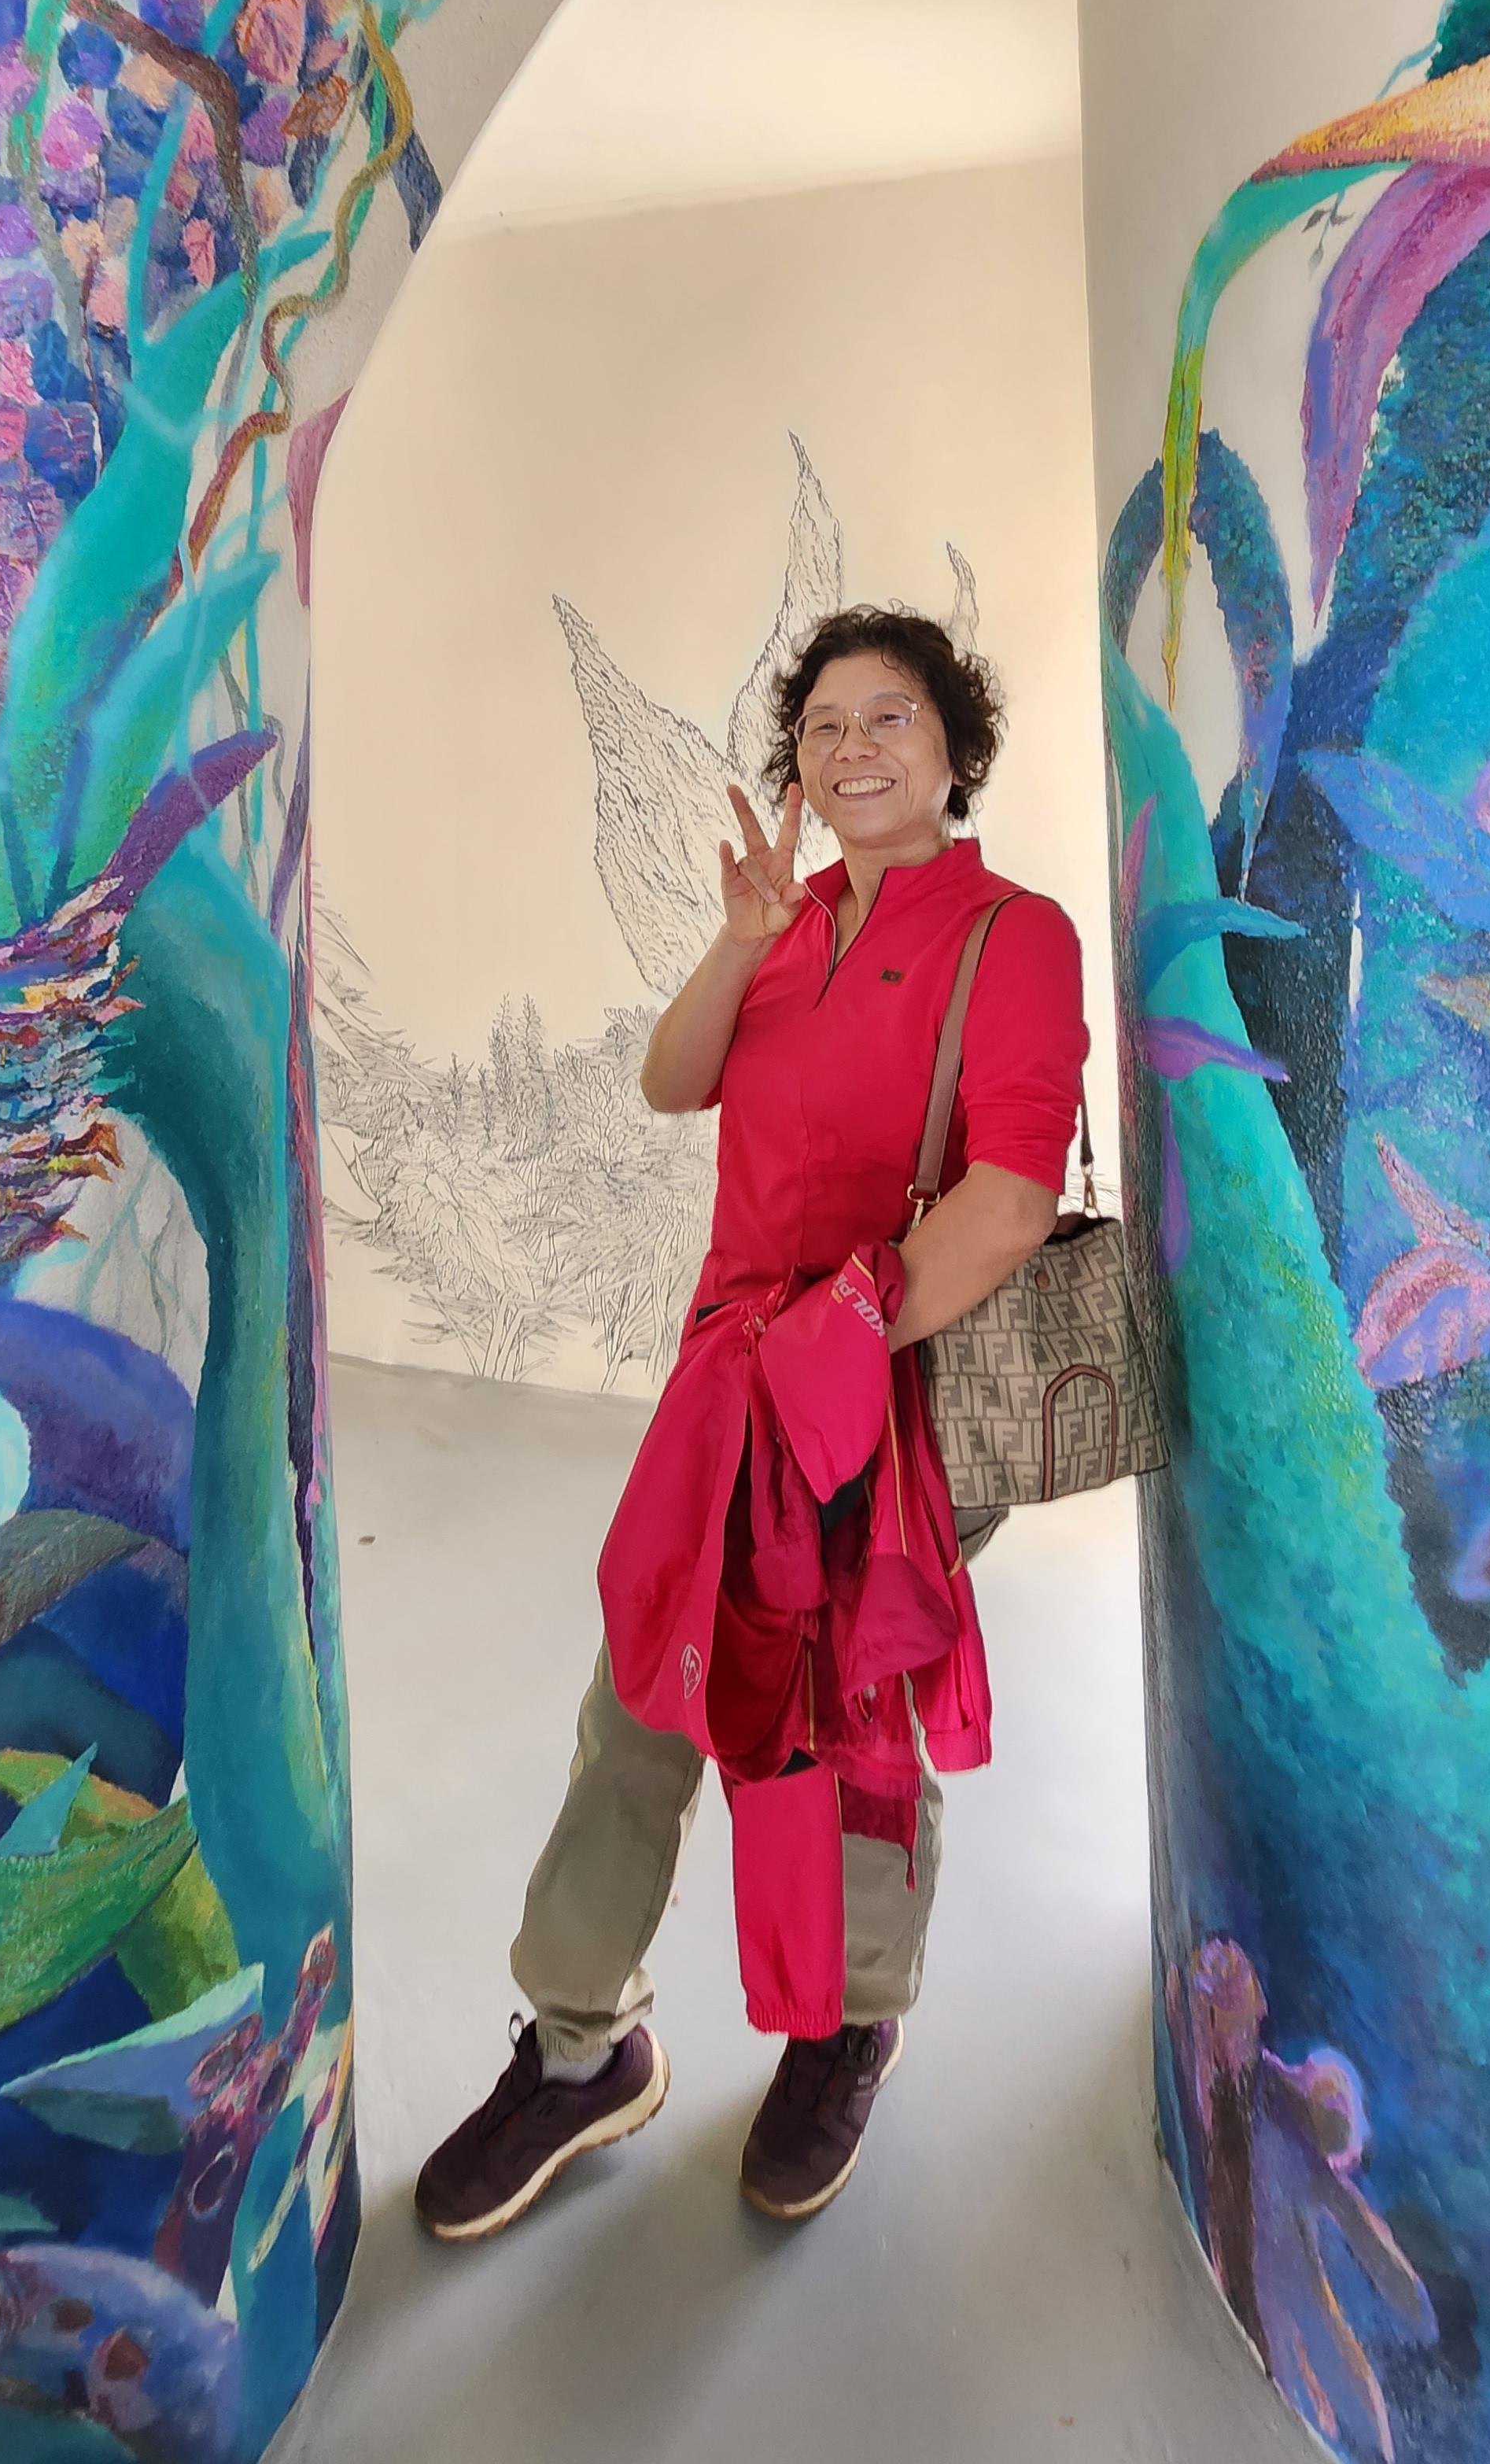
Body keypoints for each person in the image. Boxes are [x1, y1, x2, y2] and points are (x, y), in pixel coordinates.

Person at [413, 606, 1087, 2240]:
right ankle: (581, 2045)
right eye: (826, 724)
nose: (855, 747)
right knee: (649, 1687)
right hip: (731, 1385)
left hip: (893, 1401)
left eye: (892, 715)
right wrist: (735, 940)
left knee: (853, 1712)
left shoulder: (1014, 933)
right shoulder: (786, 924)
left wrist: (834, 1356)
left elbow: (1008, 1199)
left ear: (955, 746)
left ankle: (847, 2023)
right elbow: (670, 1082)